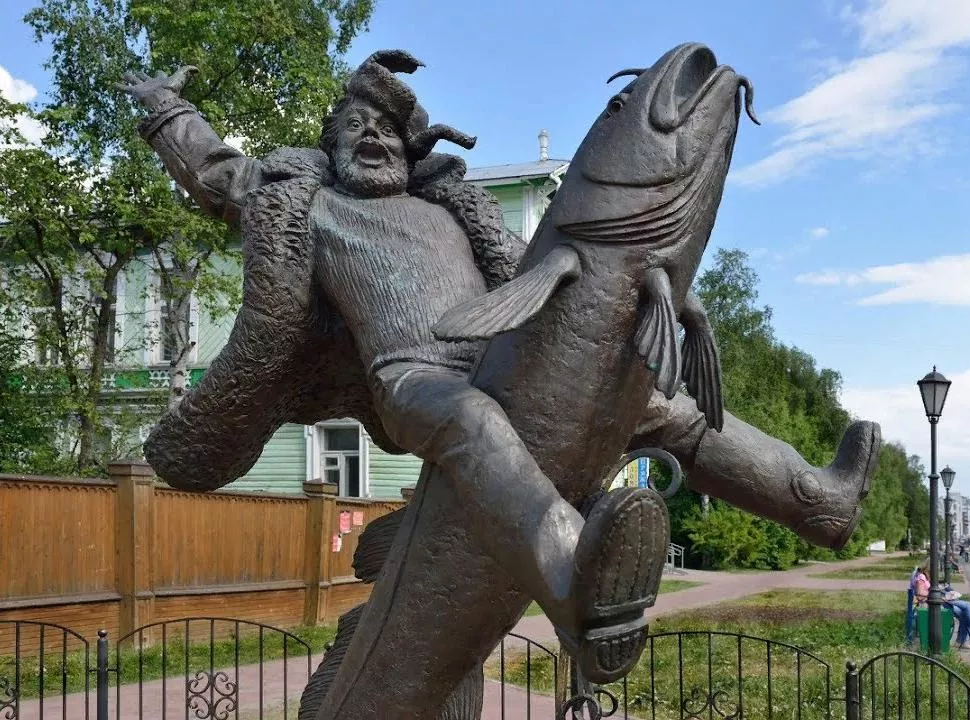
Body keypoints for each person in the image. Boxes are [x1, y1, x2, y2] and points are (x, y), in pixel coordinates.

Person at [118, 50, 879, 682]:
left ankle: (816, 499)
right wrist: (164, 111)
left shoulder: (452, 209)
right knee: (471, 420)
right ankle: (573, 578)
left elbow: (536, 275)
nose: (371, 138)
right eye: (354, 126)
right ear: (329, 145)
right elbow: (219, 175)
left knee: (660, 405)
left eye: (385, 129)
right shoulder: (308, 205)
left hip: (498, 353)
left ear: (410, 148)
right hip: (415, 379)